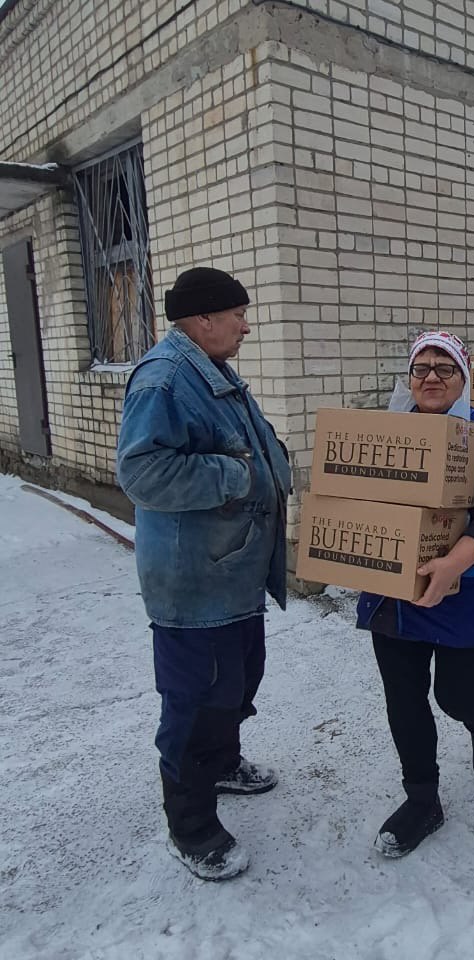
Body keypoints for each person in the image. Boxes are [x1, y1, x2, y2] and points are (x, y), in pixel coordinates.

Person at [116, 267, 292, 881]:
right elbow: (141, 474)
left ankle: (222, 763)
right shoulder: (164, 380)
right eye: (238, 314)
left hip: (232, 571)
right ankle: (191, 826)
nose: (247, 325)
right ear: (204, 320)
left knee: (238, 684)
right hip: (195, 584)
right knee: (195, 703)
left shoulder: (209, 370)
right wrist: (240, 478)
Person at [356, 331, 474, 858]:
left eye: (444, 368)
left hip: (459, 588)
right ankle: (422, 799)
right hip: (393, 595)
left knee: (455, 693)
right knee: (403, 699)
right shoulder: (384, 433)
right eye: (420, 367)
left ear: (464, 378)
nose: (430, 377)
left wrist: (454, 562)